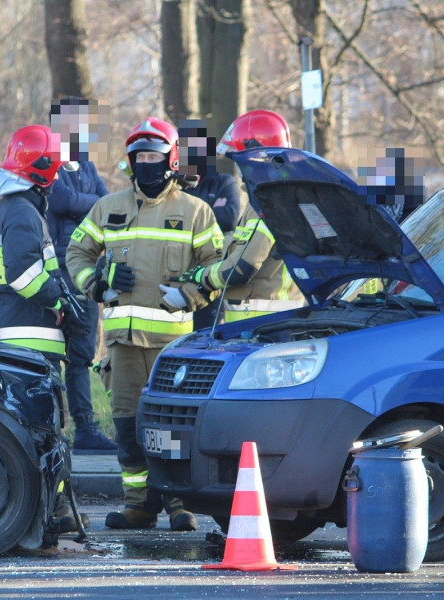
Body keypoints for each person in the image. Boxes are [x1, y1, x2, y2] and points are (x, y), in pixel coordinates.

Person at [65, 116, 224, 531]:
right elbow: (76, 254)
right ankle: (138, 505)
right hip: (122, 345)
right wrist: (98, 285)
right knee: (128, 428)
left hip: (173, 350)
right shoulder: (108, 207)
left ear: (171, 159)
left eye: (154, 156)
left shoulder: (195, 212)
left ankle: (177, 504)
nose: (146, 164)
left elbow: (219, 267)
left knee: (170, 428)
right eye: (139, 157)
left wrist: (189, 294)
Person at [0, 124, 91, 534]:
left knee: (33, 430)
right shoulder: (24, 213)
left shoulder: (7, 210)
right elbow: (24, 276)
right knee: (45, 431)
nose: (60, 178)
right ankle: (49, 513)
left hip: (12, 336)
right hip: (32, 342)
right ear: (42, 170)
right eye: (56, 170)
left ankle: (42, 512)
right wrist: (62, 302)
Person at [181, 109, 304, 322]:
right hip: (274, 317)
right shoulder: (281, 195)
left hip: (262, 321)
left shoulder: (268, 203)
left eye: (239, 160)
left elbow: (242, 267)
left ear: (255, 155)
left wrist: (201, 277)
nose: (238, 168)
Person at [47, 98, 117, 454]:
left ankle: (86, 430)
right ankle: (48, 427)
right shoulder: (49, 163)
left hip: (86, 271)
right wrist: (90, 204)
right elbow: (58, 200)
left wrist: (83, 200)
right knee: (48, 355)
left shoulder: (88, 165)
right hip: (55, 272)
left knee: (81, 355)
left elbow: (109, 204)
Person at [177, 119, 241, 329]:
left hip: (210, 271)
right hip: (178, 270)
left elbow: (229, 217)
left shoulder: (223, 182)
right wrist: (211, 209)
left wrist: (187, 215)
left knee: (206, 332)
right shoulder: (174, 184)